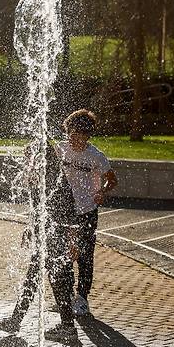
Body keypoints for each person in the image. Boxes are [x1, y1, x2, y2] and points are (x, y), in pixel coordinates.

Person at [0, 143, 79, 343]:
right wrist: (31, 227)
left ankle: (66, 327)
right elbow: (39, 209)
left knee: (58, 281)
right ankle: (17, 320)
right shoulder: (37, 178)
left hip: (57, 238)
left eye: (30, 156)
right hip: (45, 237)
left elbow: (70, 212)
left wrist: (72, 242)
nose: (27, 161)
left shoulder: (55, 180)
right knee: (36, 278)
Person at [57, 109, 118, 317]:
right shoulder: (60, 149)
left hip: (87, 211)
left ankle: (82, 298)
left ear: (88, 135)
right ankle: (64, 297)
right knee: (63, 254)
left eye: (80, 136)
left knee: (84, 256)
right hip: (65, 211)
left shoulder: (96, 156)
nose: (75, 140)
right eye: (71, 135)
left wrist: (102, 190)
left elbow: (112, 179)